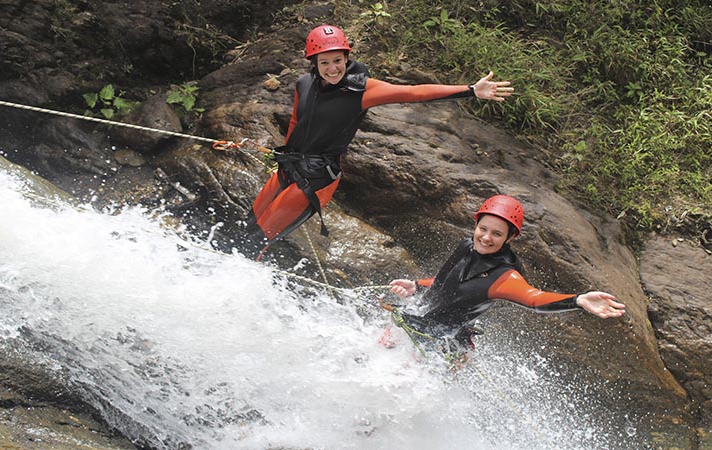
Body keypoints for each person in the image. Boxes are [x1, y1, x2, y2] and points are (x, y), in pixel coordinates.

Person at [243, 24, 514, 257]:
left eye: (338, 60)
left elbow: (413, 92)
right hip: (289, 167)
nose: (332, 68)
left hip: (316, 178)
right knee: (248, 225)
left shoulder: (361, 90)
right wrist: (280, 156)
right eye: (324, 62)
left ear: (346, 58)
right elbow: (295, 123)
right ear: (313, 62)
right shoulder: (304, 84)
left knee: (261, 238)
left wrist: (469, 91)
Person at [385, 194, 626, 354]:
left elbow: (534, 299)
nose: (486, 238)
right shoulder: (465, 246)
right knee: (378, 346)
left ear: (511, 238)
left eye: (497, 234)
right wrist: (416, 285)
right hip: (419, 321)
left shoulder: (504, 277)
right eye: (483, 229)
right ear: (476, 225)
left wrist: (578, 300)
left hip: (443, 343)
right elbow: (444, 282)